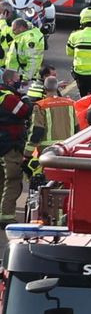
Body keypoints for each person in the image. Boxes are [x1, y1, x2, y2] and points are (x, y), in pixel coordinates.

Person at [23, 75, 76, 187]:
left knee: (48, 184)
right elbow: (77, 128)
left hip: (47, 152)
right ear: (57, 87)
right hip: (67, 149)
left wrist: (27, 154)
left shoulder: (41, 106)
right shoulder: (70, 104)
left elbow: (36, 132)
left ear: (44, 89)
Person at [0, 68, 29, 222]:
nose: (20, 81)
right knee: (13, 179)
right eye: (18, 78)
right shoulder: (9, 98)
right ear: (10, 81)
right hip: (9, 144)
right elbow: (24, 111)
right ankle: (7, 217)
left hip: (3, 143)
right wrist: (24, 97)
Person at [6, 19, 43, 89]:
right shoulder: (22, 35)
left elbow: (33, 60)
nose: (13, 32)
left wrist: (26, 78)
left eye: (14, 30)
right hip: (15, 75)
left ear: (22, 28)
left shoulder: (30, 39)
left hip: (22, 78)